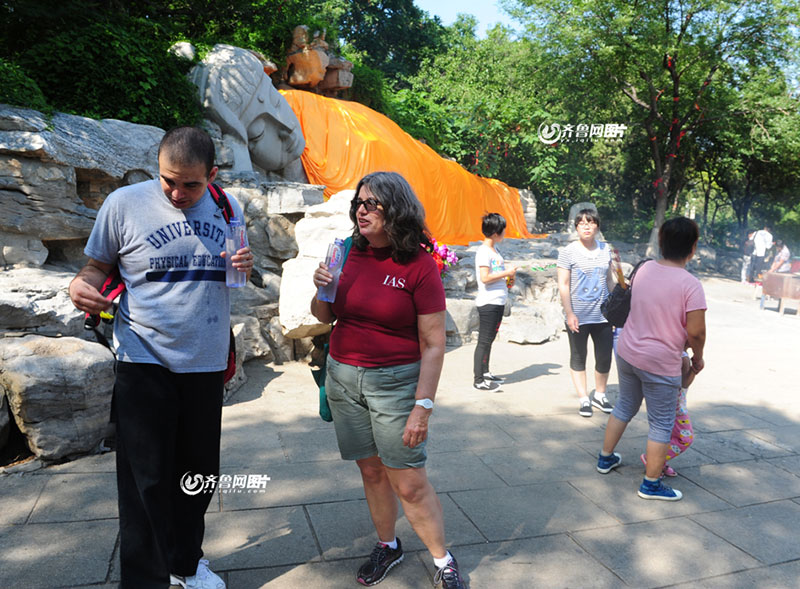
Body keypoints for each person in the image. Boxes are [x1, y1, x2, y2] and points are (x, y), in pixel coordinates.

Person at [69, 127, 254, 589]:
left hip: (205, 361)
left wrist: (246, 270)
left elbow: (235, 279)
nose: (177, 192)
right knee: (144, 478)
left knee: (199, 475)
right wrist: (80, 285)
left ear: (212, 175)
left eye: (191, 184)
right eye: (168, 180)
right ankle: (146, 579)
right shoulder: (124, 204)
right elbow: (95, 268)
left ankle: (187, 563)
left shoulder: (230, 209)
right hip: (142, 356)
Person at [310, 172, 466, 588]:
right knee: (372, 471)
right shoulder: (345, 252)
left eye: (371, 204)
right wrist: (320, 287)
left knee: (410, 482)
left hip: (396, 385)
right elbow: (324, 316)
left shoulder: (418, 266)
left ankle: (442, 560)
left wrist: (423, 406)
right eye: (358, 203)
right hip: (343, 377)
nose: (361, 210)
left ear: (395, 210)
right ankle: (388, 545)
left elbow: (434, 344)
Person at [596, 217, 706, 501]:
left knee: (625, 405)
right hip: (660, 362)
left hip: (628, 351)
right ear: (693, 248)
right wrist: (698, 358)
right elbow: (695, 331)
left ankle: (605, 457)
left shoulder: (644, 270)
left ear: (661, 242)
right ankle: (651, 484)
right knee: (661, 423)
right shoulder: (691, 285)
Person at [557, 209, 615, 418]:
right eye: (582, 223)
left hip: (603, 315)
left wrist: (614, 311)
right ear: (576, 227)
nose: (586, 226)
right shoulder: (568, 252)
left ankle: (600, 394)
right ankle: (583, 398)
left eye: (590, 223)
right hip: (578, 316)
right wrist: (569, 313)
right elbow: (563, 285)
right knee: (579, 356)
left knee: (604, 357)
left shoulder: (605, 249)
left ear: (597, 226)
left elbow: (609, 280)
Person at [473, 213, 517, 392]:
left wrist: (509, 277)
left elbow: (497, 276)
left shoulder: (495, 251)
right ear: (495, 232)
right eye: (503, 229)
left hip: (498, 300)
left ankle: (486, 372)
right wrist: (507, 272)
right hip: (488, 302)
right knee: (484, 340)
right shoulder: (484, 252)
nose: (504, 232)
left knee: (489, 339)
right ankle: (478, 379)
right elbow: (485, 278)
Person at [640, 349, 696, 477]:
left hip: (663, 400)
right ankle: (653, 461)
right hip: (676, 407)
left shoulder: (666, 350)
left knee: (667, 437)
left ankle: (660, 463)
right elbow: (685, 383)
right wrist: (695, 369)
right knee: (685, 438)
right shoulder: (683, 357)